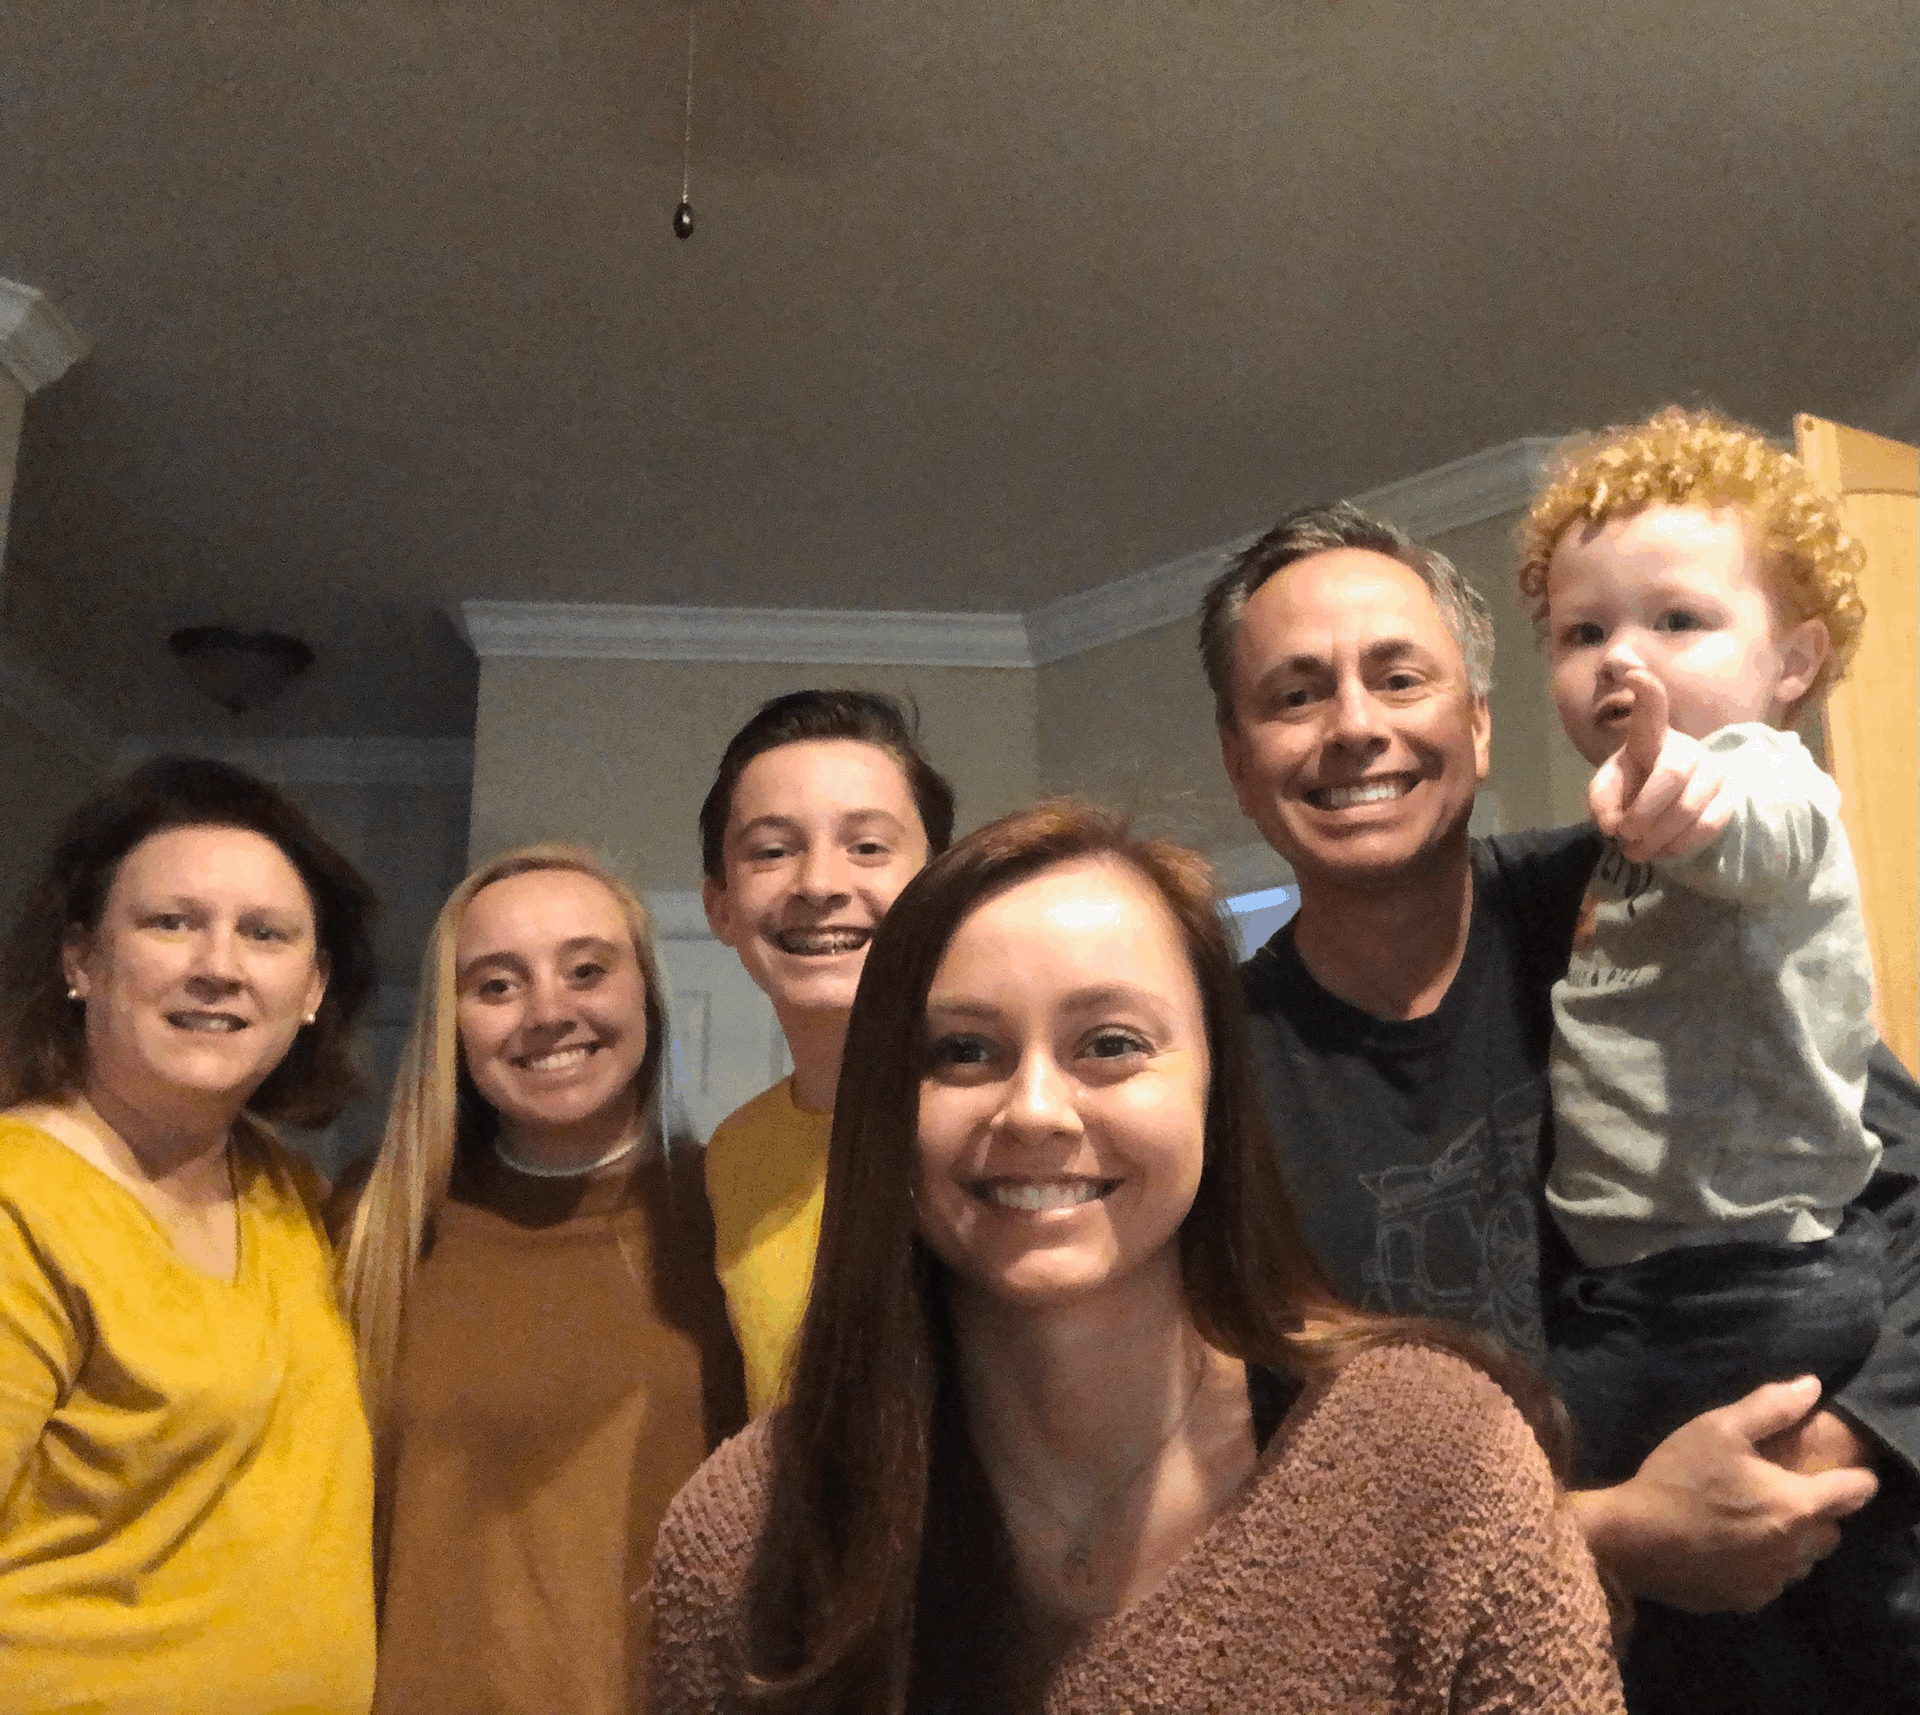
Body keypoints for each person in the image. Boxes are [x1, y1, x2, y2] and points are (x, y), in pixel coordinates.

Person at [647, 803, 1626, 1715]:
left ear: (1214, 1083)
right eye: (961, 1051)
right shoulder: (745, 1538)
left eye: (1111, 1042)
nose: (1034, 1108)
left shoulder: (1433, 1458)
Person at [1201, 498, 1920, 1714]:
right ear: (1238, 755)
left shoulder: (1653, 887)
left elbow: (1910, 1207)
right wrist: (1619, 1531)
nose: (1355, 726)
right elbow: (1245, 1496)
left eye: (1399, 676)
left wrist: (1824, 1456)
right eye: (1295, 693)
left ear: (1477, 724)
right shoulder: (1207, 1068)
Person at [0, 756, 380, 1715]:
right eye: (171, 921)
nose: (219, 963)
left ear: (311, 987)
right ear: (82, 959)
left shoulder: (290, 1191)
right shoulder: (19, 1202)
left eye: (265, 932)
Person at [331, 845, 746, 1715]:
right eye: (496, 985)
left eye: (587, 969)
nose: (549, 1012)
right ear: (455, 1021)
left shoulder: (733, 1216)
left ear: (644, 992)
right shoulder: (372, 1222)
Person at [697, 689, 956, 1413]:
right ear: (721, 906)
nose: (818, 884)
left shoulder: (1014, 1121)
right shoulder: (732, 1160)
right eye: (773, 851)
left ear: (939, 883)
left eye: (868, 846)